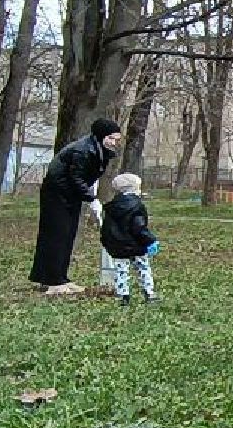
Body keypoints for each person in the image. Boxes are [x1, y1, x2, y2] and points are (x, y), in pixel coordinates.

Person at [30, 118, 122, 294]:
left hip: (70, 196)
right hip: (57, 195)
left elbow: (89, 176)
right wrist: (91, 198)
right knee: (57, 235)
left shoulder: (99, 150)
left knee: (68, 235)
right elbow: (76, 178)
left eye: (116, 139)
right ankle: (53, 281)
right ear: (101, 135)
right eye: (111, 138)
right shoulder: (83, 150)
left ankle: (60, 278)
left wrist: (90, 193)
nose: (114, 142)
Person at [101, 172, 160, 306]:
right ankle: (149, 293)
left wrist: (107, 242)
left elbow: (106, 228)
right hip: (136, 245)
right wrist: (151, 240)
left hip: (118, 246)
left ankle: (123, 296)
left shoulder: (111, 207)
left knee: (121, 270)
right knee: (143, 268)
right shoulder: (137, 206)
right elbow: (139, 228)